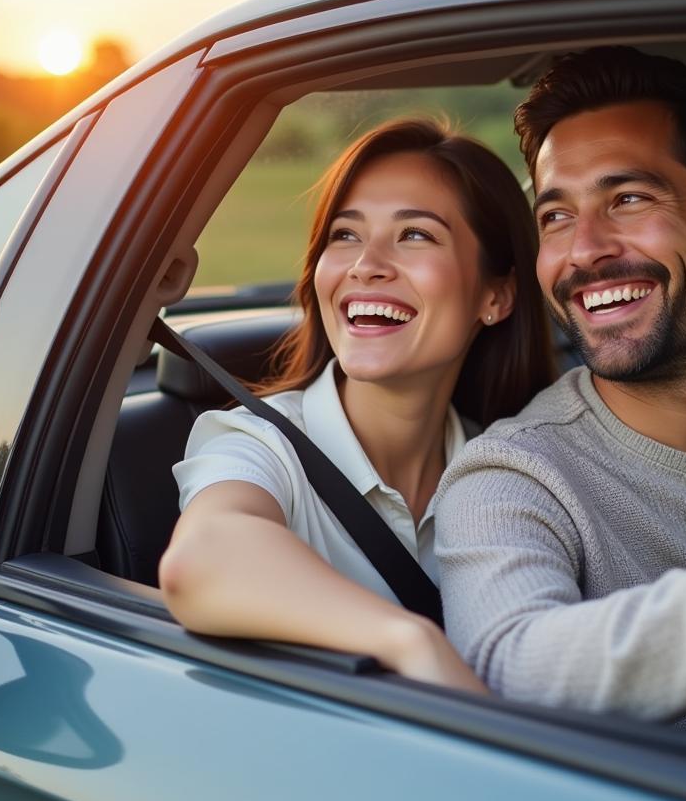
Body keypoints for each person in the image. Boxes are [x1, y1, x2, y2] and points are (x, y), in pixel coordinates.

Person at [434, 47, 686, 726]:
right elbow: (511, 664)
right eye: (556, 215)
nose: (583, 249)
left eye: (628, 199)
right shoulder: (512, 478)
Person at [159, 117, 555, 692]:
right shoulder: (255, 444)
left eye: (415, 235)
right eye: (344, 235)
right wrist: (411, 641)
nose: (366, 264)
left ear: (496, 296)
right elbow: (203, 558)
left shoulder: (511, 469)